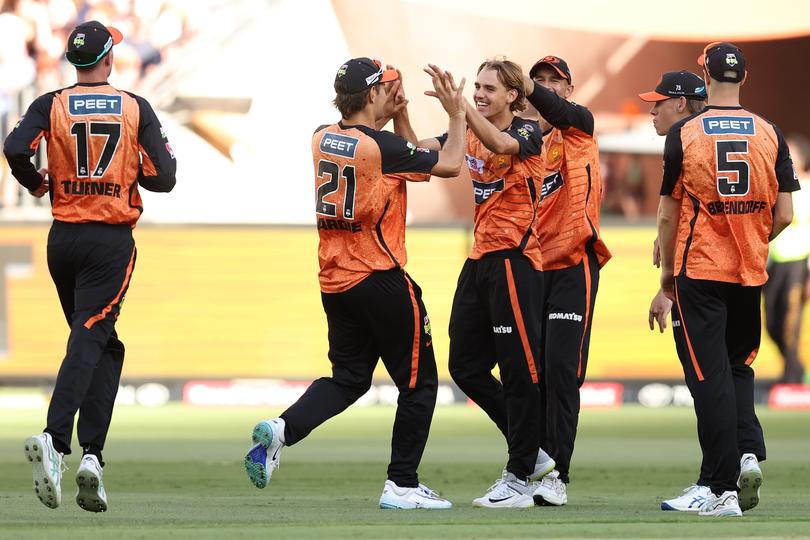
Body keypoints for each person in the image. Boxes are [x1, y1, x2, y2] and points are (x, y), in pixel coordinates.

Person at [243, 57, 467, 510]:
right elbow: (450, 164)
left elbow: (405, 158)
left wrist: (400, 114)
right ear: (369, 96)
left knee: (348, 379)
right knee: (419, 385)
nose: (392, 92)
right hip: (380, 277)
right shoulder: (379, 147)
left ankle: (281, 431)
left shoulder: (321, 137)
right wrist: (458, 114)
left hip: (335, 282)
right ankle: (401, 484)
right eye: (386, 88)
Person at [3, 20, 176, 512]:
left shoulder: (51, 103)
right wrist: (135, 166)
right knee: (89, 336)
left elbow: (15, 147)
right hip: (109, 240)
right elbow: (165, 177)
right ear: (109, 59)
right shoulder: (132, 107)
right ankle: (57, 443)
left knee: (101, 343)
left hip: (63, 239)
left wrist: (36, 181)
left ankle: (93, 458)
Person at [648, 42, 798, 517]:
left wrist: (668, 279)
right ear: (744, 79)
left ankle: (718, 488)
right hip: (750, 271)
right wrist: (751, 237)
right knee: (736, 369)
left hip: (701, 270)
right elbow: (787, 214)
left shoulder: (686, 133)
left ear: (705, 76)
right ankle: (747, 453)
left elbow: (669, 214)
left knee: (707, 377)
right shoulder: (771, 132)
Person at [405, 59, 551, 508]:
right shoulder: (468, 129)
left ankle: (520, 472)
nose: (482, 94)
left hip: (516, 259)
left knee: (518, 370)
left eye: (490, 88)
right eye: (478, 87)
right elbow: (416, 154)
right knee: (466, 366)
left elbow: (503, 145)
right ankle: (536, 450)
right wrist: (399, 113)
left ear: (513, 95)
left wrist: (462, 108)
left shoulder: (528, 130)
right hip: (480, 259)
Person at [516, 55, 611, 506]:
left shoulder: (580, 126)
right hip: (530, 266)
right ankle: (523, 468)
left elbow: (558, 111)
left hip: (574, 263)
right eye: (538, 81)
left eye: (556, 82)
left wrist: (526, 88)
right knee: (528, 374)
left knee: (561, 372)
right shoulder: (518, 140)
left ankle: (558, 476)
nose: (547, 87)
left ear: (568, 90)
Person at [764, 134, 810, 384]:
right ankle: (795, 368)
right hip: (774, 264)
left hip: (798, 263)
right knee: (771, 322)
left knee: (791, 323)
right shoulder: (777, 189)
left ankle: (792, 378)